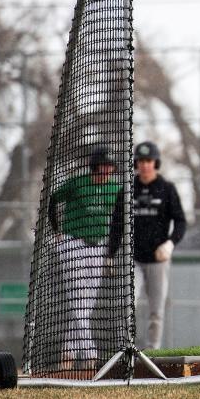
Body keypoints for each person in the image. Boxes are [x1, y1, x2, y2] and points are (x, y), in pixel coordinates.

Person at [48, 145, 125, 369]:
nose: (106, 170)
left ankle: (68, 353)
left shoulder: (115, 189)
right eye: (102, 166)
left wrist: (110, 253)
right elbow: (53, 199)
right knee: (77, 298)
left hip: (97, 247)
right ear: (94, 166)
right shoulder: (78, 182)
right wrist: (56, 231)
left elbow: (118, 223)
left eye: (109, 166)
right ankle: (91, 354)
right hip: (73, 244)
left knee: (86, 304)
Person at [114, 141, 186, 350]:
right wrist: (111, 254)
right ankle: (125, 350)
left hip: (158, 259)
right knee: (127, 305)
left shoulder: (167, 189)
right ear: (136, 163)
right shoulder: (128, 189)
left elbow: (181, 221)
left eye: (149, 161)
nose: (145, 165)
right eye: (141, 161)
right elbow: (117, 224)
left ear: (156, 163)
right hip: (133, 258)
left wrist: (170, 243)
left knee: (156, 310)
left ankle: (153, 351)